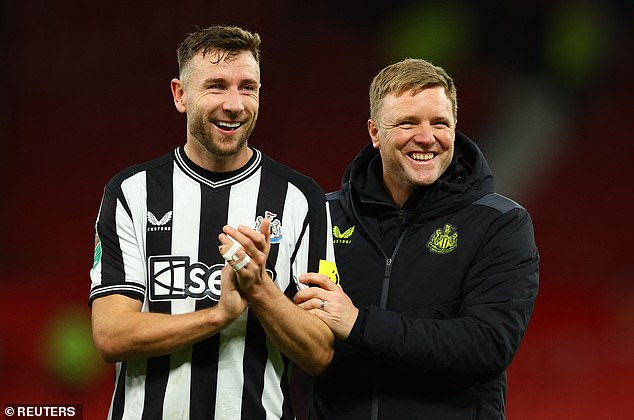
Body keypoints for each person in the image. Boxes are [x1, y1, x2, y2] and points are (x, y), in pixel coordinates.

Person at [89, 25, 334, 420]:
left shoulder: (301, 198)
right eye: (217, 86)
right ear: (180, 95)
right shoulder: (131, 193)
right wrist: (219, 315)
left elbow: (319, 352)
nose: (235, 104)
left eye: (248, 87)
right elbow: (111, 335)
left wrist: (259, 288)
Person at [294, 58, 540, 419]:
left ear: (455, 128)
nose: (426, 137)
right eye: (407, 122)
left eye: (440, 123)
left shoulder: (500, 224)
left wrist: (359, 325)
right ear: (375, 132)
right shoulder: (323, 216)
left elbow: (487, 345)